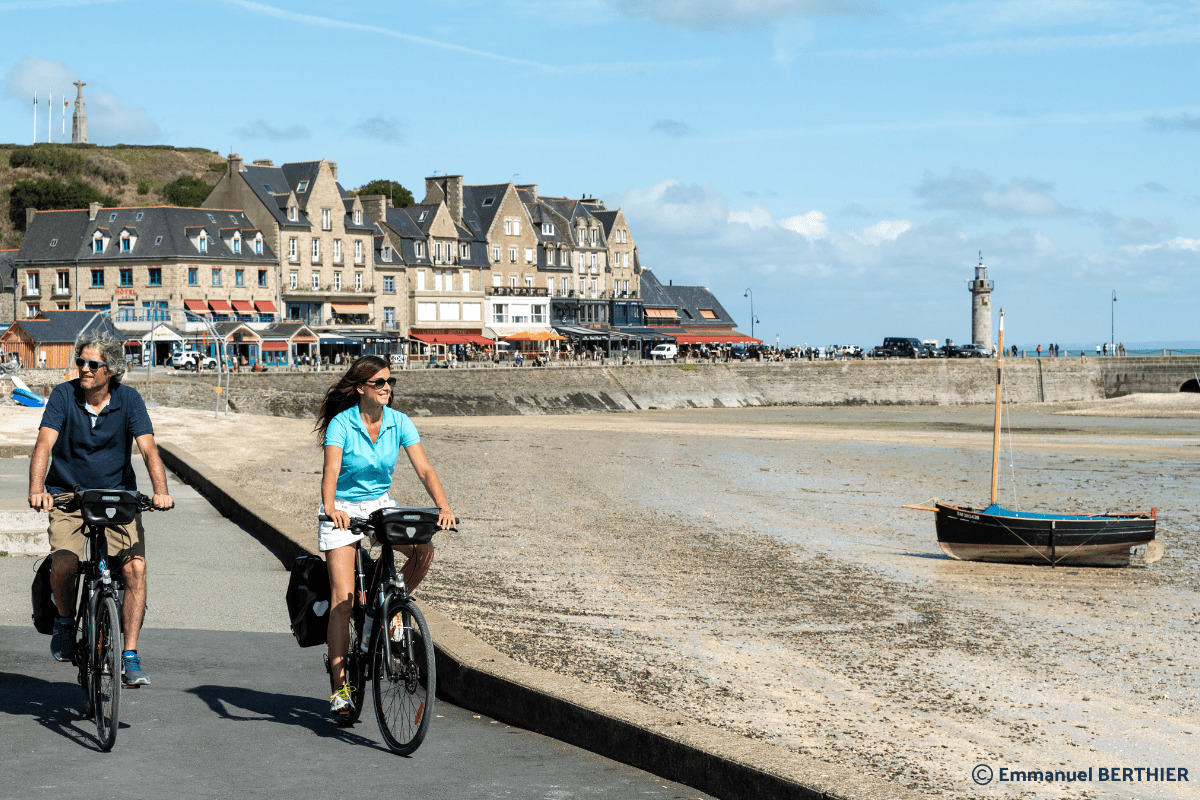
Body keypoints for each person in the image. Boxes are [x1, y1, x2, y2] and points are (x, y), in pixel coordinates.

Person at [28, 331, 174, 686]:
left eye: (93, 364)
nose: (84, 369)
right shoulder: (64, 395)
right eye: (81, 362)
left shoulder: (129, 400)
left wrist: (160, 492)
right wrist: (37, 490)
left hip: (117, 498)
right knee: (64, 562)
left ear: (112, 370)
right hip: (68, 496)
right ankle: (64, 620)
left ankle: (130, 655)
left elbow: (149, 449)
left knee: (135, 570)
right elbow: (44, 444)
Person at [314, 356, 455, 718]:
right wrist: (331, 507)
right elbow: (330, 471)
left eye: (390, 381)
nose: (387, 387)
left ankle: (389, 609)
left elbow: (424, 468)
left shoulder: (399, 422)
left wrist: (443, 507)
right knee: (342, 598)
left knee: (423, 551)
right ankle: (340, 686)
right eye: (379, 382)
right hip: (343, 506)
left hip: (380, 505)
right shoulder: (341, 424)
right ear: (361, 388)